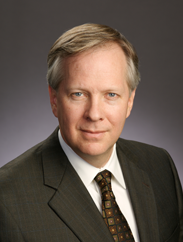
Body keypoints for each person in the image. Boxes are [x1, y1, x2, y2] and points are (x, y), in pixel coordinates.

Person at [0, 23, 182, 242]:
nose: (94, 114)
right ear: (54, 99)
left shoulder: (159, 166)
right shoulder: (7, 198)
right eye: (78, 94)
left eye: (111, 95)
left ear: (130, 101)